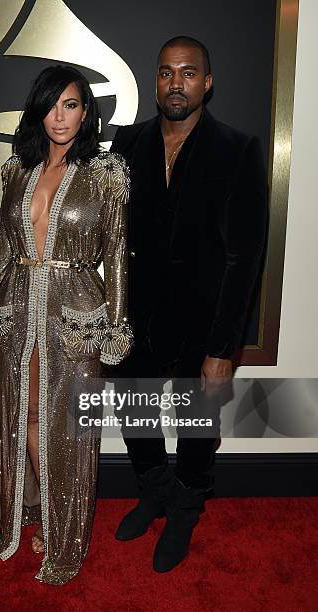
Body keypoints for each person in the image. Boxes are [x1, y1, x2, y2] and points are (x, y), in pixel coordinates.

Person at [0, 65, 132, 585]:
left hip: (77, 313)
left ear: (87, 113)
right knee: (29, 418)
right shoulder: (18, 169)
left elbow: (118, 256)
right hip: (20, 309)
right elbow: (1, 244)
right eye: (52, 104)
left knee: (72, 431)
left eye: (72, 105)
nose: (60, 116)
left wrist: (116, 326)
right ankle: (37, 513)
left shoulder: (106, 174)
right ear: (39, 109)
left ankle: (67, 537)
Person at [110, 36, 268, 572]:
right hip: (133, 323)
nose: (175, 83)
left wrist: (225, 347)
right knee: (136, 418)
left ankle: (184, 510)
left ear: (207, 82)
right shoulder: (125, 145)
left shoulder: (238, 148)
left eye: (188, 73)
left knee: (198, 431)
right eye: (165, 73)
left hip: (204, 327)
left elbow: (245, 257)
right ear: (155, 81)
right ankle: (154, 493)